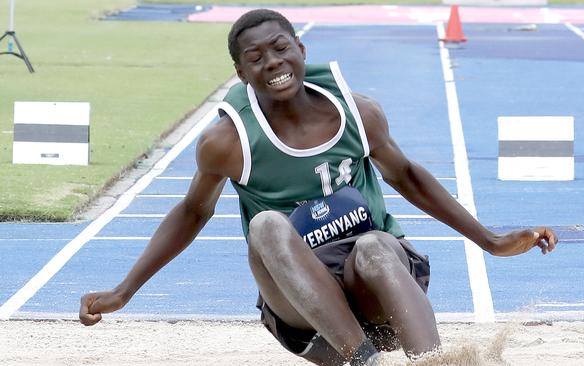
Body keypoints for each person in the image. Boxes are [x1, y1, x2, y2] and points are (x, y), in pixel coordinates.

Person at [79, 8, 558, 366]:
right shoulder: (228, 141)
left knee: (372, 245)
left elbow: (407, 176)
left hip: (378, 284)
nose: (273, 61)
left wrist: (491, 242)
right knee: (266, 225)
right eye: (256, 57)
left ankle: (429, 360)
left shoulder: (359, 112)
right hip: (303, 307)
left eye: (281, 47)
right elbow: (191, 213)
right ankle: (363, 360)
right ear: (241, 74)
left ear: (301, 50)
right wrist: (126, 290)